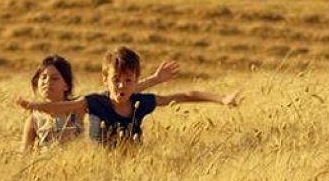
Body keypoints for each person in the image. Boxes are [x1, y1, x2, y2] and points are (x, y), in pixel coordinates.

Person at [17, 47, 237, 145]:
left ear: (135, 80)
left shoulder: (141, 103)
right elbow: (64, 107)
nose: (121, 86)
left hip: (134, 166)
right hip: (99, 169)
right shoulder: (96, 102)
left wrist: (221, 99)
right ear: (105, 80)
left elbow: (185, 95)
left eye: (128, 80)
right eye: (115, 80)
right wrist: (33, 105)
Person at [20, 54, 181, 150]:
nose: (47, 82)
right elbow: (25, 155)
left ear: (66, 84)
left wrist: (154, 79)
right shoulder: (34, 119)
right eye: (43, 77)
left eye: (55, 78)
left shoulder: (79, 108)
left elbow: (121, 91)